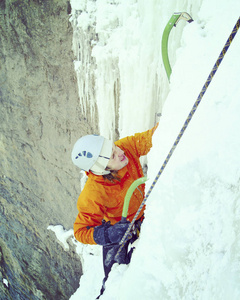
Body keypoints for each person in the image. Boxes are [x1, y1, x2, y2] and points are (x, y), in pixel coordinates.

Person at [71, 124, 158, 298]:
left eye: (114, 146)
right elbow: (80, 231)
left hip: (144, 213)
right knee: (114, 278)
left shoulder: (126, 148)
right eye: (112, 155)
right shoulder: (93, 193)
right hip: (116, 228)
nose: (120, 152)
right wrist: (109, 234)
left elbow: (155, 135)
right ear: (102, 169)